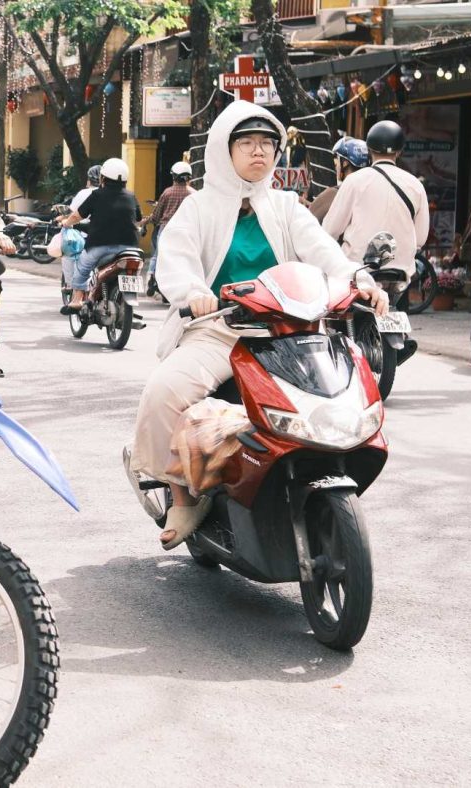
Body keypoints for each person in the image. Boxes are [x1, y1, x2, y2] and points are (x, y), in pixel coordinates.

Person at [125, 101, 388, 549]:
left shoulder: (286, 206)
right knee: (165, 390)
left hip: (289, 330)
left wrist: (359, 280)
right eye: (246, 142)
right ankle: (183, 497)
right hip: (219, 329)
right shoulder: (198, 207)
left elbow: (323, 251)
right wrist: (193, 292)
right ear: (223, 151)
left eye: (267, 143)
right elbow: (176, 260)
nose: (259, 151)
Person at [321, 120, 429, 275]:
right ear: (399, 151)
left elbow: (330, 229)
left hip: (358, 273)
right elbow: (420, 239)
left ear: (369, 149)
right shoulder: (415, 185)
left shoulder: (354, 181)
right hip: (401, 274)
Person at [59, 157, 141, 314]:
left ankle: (76, 300)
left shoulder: (97, 195)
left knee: (82, 267)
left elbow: (77, 216)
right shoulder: (131, 196)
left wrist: (66, 223)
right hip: (131, 247)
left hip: (101, 245)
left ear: (103, 178)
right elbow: (138, 218)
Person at [139, 160, 196, 300]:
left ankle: (151, 278)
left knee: (158, 255)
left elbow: (157, 215)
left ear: (174, 176)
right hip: (187, 231)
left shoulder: (167, 192)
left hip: (166, 230)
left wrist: (146, 221)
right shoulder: (194, 194)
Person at [307, 136, 368, 223]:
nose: (336, 166)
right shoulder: (372, 192)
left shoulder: (334, 194)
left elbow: (307, 220)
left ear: (345, 163)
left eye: (338, 160)